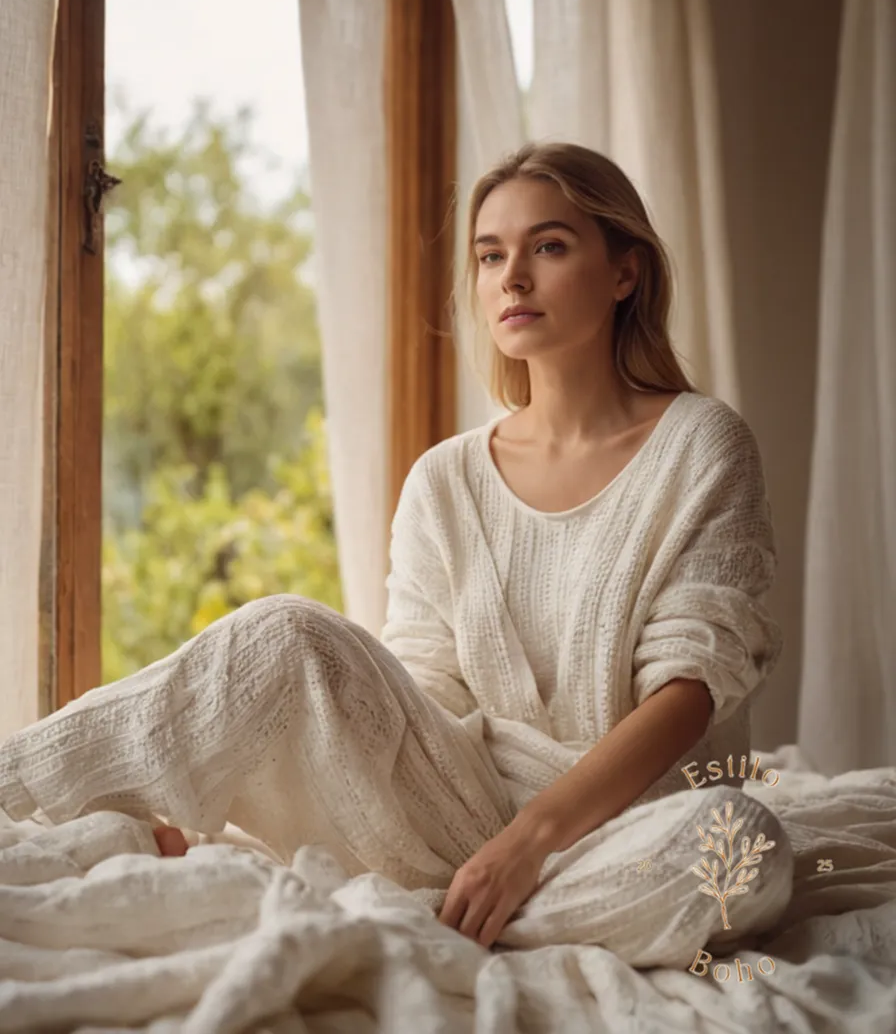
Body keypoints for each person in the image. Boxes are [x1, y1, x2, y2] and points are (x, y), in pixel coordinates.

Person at [0, 141, 793, 969]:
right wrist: (436, 812)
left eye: (548, 247)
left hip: (624, 822)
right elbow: (421, 694)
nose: (511, 277)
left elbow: (691, 689)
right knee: (285, 633)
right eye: (491, 255)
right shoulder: (444, 481)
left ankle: (446, 908)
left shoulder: (701, 445)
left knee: (742, 849)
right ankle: (16, 789)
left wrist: (525, 848)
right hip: (460, 806)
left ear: (624, 272)